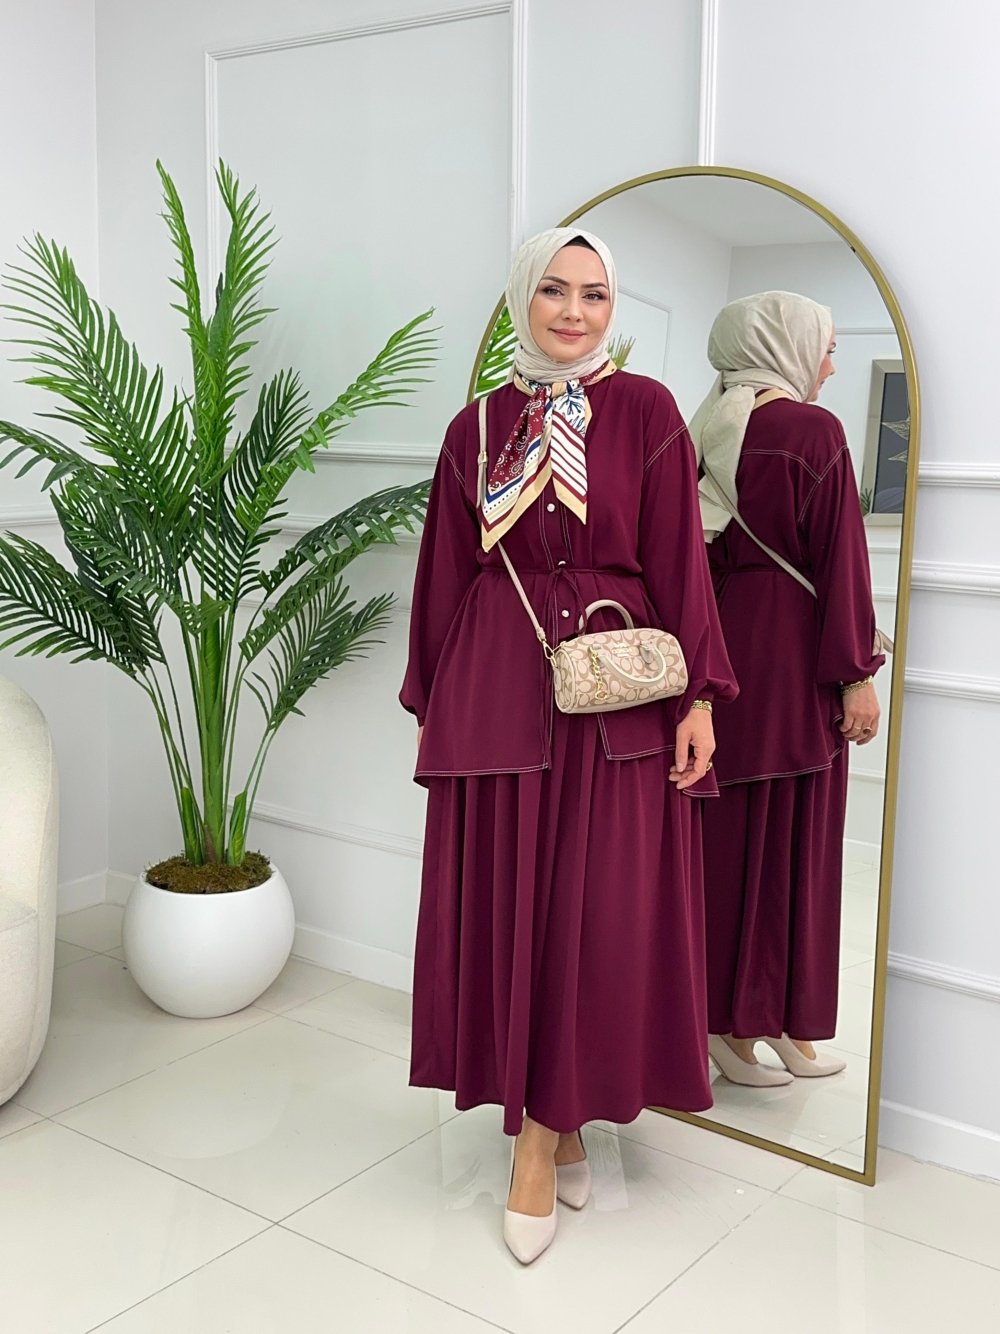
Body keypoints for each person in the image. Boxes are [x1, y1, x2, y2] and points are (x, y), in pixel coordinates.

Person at [400, 227, 737, 1263]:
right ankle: (548, 1132)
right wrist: (437, 699)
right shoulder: (474, 427)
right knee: (516, 913)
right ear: (522, 299)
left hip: (616, 694)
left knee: (598, 916)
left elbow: (681, 558)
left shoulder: (645, 412)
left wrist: (701, 695)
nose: (574, 312)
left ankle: (550, 1127)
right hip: (498, 693)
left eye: (594, 294)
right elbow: (445, 570)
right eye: (554, 290)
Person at [690, 290, 883, 1089]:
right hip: (796, 660)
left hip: (721, 655)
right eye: (827, 347)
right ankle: (751, 1026)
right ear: (786, 344)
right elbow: (841, 560)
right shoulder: (812, 431)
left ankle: (747, 1024)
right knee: (792, 848)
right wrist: (856, 676)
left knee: (731, 849)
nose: (830, 366)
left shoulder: (701, 430)